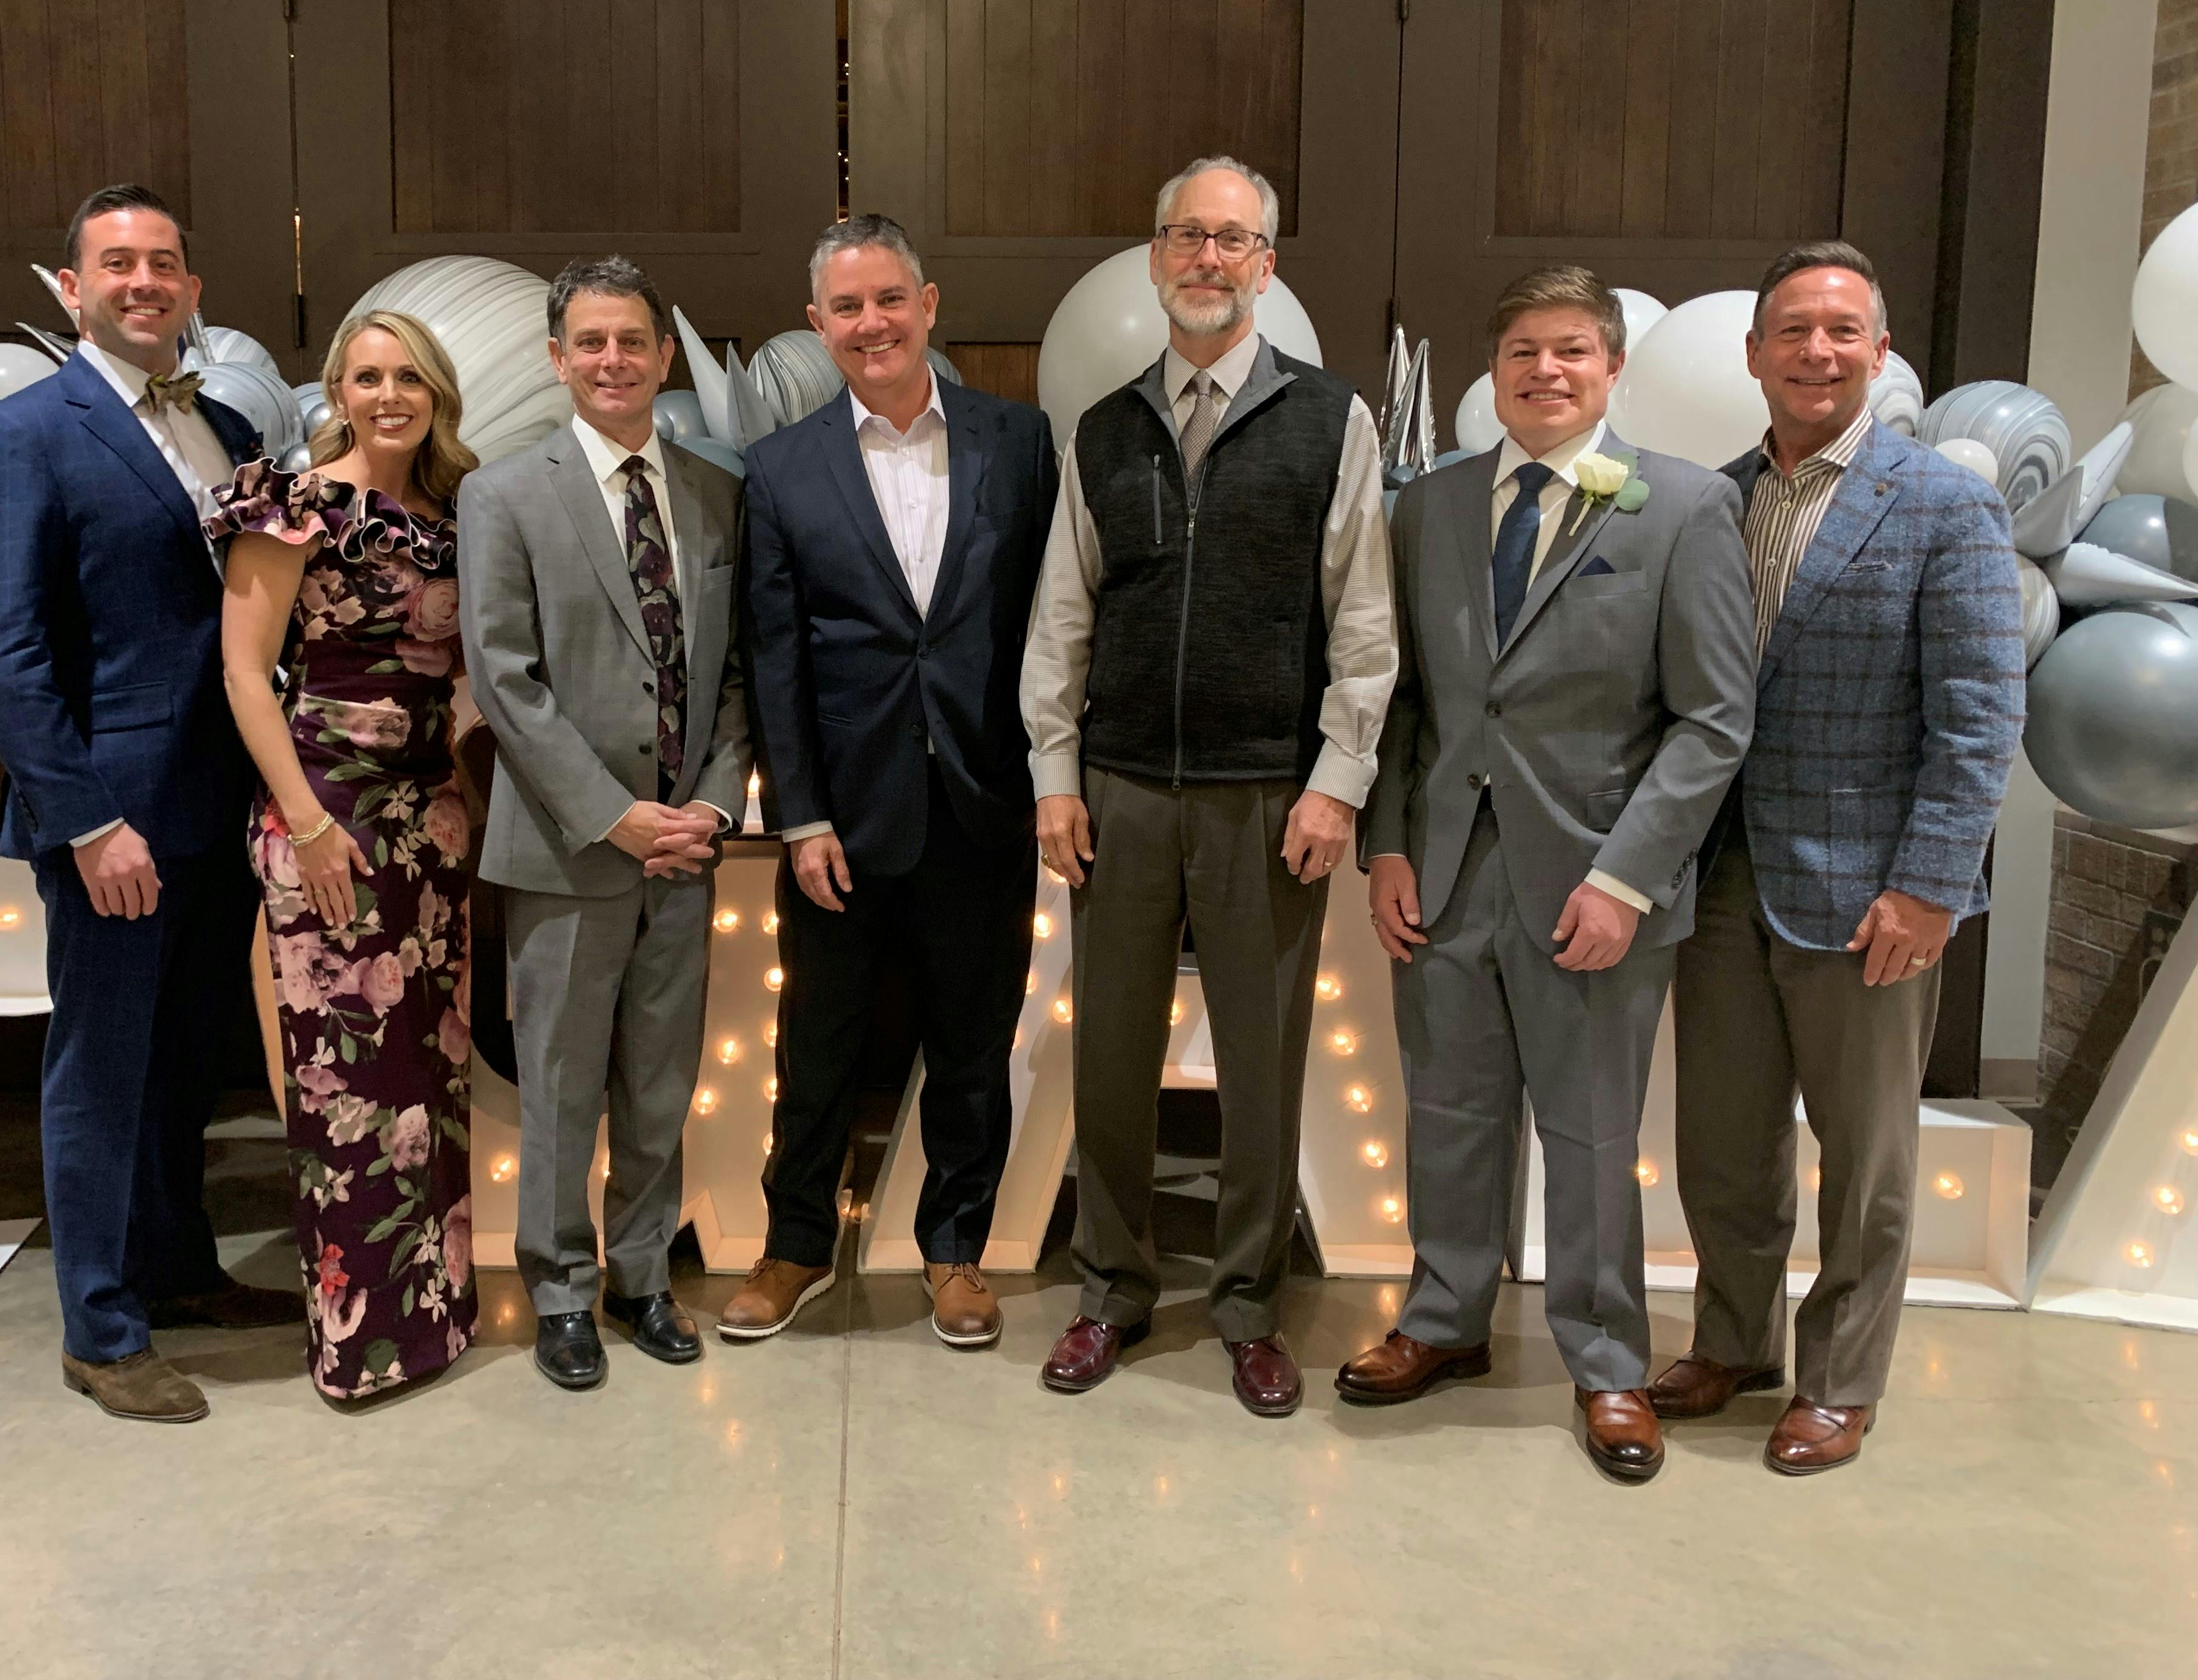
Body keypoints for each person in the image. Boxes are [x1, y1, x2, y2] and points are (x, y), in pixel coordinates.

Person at [1347, 265, 1756, 1482]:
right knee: (1449, 1117)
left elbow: (1713, 721)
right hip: (1444, 873)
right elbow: (1402, 698)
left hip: (1595, 888)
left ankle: (1607, 1359)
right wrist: (1386, 845)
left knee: (1590, 1136)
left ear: (1613, 367)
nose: (1546, 371)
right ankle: (1444, 1319)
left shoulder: (1683, 508)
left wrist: (1627, 880)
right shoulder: (1430, 504)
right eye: (1523, 350)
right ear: (1495, 370)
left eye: (1572, 349)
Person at [1021, 157, 1396, 1418]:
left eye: (1233, 239)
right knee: (1108, 1058)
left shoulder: (1332, 422)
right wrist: (1055, 772)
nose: (1207, 258)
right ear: (1154, 257)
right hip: (1120, 792)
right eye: (1187, 235)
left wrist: (1338, 781)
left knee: (1263, 1061)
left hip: (1267, 798)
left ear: (1266, 266)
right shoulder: (1104, 429)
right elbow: (1063, 615)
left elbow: (1364, 622)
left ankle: (1247, 1306)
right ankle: (1110, 1291)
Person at [1652, 243, 2024, 1475]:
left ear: (1879, 352)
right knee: (1723, 1140)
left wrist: (1931, 884)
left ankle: (1842, 1379)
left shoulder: (1946, 504)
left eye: (1843, 331)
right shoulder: (1711, 500)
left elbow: (1981, 715)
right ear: (1755, 353)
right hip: (1719, 878)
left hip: (1873, 890)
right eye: (1795, 331)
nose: (1818, 352)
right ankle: (1733, 1341)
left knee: (1866, 1160)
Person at [0, 183, 299, 1425]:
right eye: (116, 263)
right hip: (114, 820)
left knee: (185, 1062)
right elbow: (4, 652)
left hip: (216, 807)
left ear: (193, 290)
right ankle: (100, 1329)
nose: (142, 282)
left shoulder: (222, 426)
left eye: (163, 263)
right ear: (71, 289)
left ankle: (179, 1269)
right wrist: (88, 822)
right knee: (101, 1069)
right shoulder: (20, 433)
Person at [730, 213, 1057, 1350]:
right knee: (816, 1046)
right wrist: (800, 814)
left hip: (984, 800)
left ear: (929, 305)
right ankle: (794, 1246)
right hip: (844, 816)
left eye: (889, 299)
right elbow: (776, 655)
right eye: (847, 307)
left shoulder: (1021, 442)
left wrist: (1050, 779)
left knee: (974, 1043)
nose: (872, 323)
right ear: (818, 325)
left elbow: (1049, 621)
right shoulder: (779, 467)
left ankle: (957, 1250)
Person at [458, 257, 750, 1393]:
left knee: (660, 1084)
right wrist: (615, 816)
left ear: (665, 355)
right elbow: (506, 679)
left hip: (685, 850)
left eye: (633, 340)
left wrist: (710, 806)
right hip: (567, 848)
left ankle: (642, 1276)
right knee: (562, 1086)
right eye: (590, 342)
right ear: (557, 358)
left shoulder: (716, 491)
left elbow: (734, 674)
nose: (613, 360)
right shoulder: (503, 493)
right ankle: (561, 1292)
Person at [210, 309, 480, 1405]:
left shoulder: (457, 515)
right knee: (348, 1086)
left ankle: (440, 1317)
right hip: (325, 811)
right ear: (336, 391)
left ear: (437, 393)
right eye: (367, 377)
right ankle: (358, 1347)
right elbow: (243, 673)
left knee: (431, 1071)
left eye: (409, 376)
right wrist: (308, 824)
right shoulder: (294, 506)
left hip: (431, 821)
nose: (389, 396)